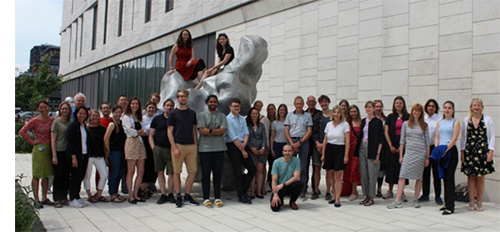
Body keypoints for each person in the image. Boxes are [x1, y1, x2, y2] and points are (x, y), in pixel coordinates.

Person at [387, 104, 430, 209]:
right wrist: (401, 155)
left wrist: (427, 157)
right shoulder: (406, 124)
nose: (416, 112)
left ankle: (416, 199)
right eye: (415, 110)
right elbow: (402, 141)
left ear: (421, 113)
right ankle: (397, 200)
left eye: (418, 111)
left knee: (419, 177)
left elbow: (427, 142)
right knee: (402, 176)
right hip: (409, 153)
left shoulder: (424, 125)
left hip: (420, 153)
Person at [460, 98, 495, 211]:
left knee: (480, 178)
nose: (476, 107)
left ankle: (479, 202)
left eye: (478, 105)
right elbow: (463, 138)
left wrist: (491, 152)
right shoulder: (466, 120)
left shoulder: (488, 119)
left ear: (482, 107)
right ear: (471, 107)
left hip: (482, 152)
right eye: (474, 105)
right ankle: (471, 202)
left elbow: (492, 137)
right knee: (470, 177)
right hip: (470, 152)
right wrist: (462, 152)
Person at [19, 100, 55, 208]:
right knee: (37, 174)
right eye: (41, 107)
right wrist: (32, 141)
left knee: (46, 175)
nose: (43, 109)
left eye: (45, 107)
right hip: (39, 149)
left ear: (49, 108)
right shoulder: (35, 120)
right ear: (38, 109)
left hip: (50, 149)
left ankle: (44, 197)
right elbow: (22, 132)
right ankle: (36, 199)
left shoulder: (52, 120)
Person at [167, 88, 199, 207]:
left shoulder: (192, 113)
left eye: (184, 96)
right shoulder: (173, 113)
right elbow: (169, 132)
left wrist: (195, 144)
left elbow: (193, 129)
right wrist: (174, 147)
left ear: (187, 98)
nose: (183, 98)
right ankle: (178, 195)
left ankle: (187, 195)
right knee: (177, 172)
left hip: (191, 146)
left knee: (192, 171)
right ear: (177, 98)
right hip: (178, 145)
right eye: (180, 96)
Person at [197, 95, 228, 208]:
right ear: (207, 103)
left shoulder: (222, 115)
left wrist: (209, 130)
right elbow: (202, 131)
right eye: (211, 102)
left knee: (218, 174)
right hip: (205, 149)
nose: (213, 104)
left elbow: (223, 130)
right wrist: (215, 131)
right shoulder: (201, 115)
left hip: (219, 149)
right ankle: (206, 198)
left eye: (215, 102)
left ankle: (217, 197)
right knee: (205, 174)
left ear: (217, 103)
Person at [224, 98, 256, 204]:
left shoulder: (242, 118)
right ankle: (241, 194)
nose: (236, 108)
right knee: (237, 171)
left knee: (252, 169)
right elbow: (232, 136)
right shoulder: (227, 119)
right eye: (234, 106)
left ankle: (243, 189)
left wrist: (244, 146)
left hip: (243, 144)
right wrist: (242, 150)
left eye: (238, 106)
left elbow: (246, 133)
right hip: (233, 146)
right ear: (230, 107)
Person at [433, 100, 460, 215]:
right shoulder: (440, 122)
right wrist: (437, 149)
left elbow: (454, 138)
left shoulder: (456, 122)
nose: (447, 109)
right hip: (441, 150)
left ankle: (450, 206)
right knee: (443, 178)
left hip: (450, 151)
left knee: (449, 178)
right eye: (445, 107)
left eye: (449, 108)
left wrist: (445, 150)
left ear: (453, 110)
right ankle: (446, 203)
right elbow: (437, 136)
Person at [356, 101, 384, 206]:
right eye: (366, 107)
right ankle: (366, 195)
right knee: (363, 173)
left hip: (373, 148)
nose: (368, 109)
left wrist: (378, 154)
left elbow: (381, 139)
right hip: (362, 147)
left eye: (370, 107)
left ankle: (371, 196)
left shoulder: (378, 122)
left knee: (372, 174)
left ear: (373, 109)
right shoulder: (363, 121)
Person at [284, 96, 313, 198]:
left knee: (303, 167)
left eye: (300, 103)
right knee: (290, 166)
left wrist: (299, 143)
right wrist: (292, 143)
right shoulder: (289, 115)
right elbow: (286, 130)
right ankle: (289, 189)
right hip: (292, 141)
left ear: (303, 104)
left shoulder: (308, 116)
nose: (299, 105)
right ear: (294, 104)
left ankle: (302, 190)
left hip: (303, 142)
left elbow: (309, 131)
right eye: (297, 104)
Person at [321, 105, 350, 207]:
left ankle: (338, 198)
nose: (336, 114)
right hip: (329, 149)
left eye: (338, 112)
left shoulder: (345, 125)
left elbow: (347, 141)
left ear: (341, 114)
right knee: (330, 174)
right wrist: (323, 154)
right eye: (334, 112)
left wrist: (346, 155)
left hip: (340, 149)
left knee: (338, 175)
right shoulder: (328, 124)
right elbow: (325, 140)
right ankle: (333, 195)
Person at [149, 99, 176, 204]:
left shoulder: (175, 119)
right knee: (160, 172)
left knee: (171, 173)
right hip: (159, 148)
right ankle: (163, 194)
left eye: (171, 105)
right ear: (163, 106)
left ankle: (170, 193)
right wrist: (153, 148)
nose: (169, 107)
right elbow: (151, 135)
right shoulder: (157, 119)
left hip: (171, 149)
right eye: (167, 105)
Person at [383, 96, 409, 201]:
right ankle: (390, 191)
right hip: (391, 145)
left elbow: (409, 132)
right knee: (390, 168)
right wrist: (390, 145)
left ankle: (401, 192)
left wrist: (402, 146)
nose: (398, 105)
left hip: (403, 145)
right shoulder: (390, 117)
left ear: (403, 104)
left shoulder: (408, 117)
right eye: (397, 103)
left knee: (401, 169)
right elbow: (386, 131)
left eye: (400, 103)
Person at [123, 97, 148, 204]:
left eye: (136, 104)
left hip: (140, 144)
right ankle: (130, 195)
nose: (134, 106)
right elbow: (130, 131)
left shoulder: (138, 116)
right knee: (131, 171)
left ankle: (136, 193)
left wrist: (139, 132)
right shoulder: (126, 117)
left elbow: (145, 130)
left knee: (141, 171)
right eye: (133, 104)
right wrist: (139, 132)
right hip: (131, 143)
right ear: (130, 105)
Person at [66, 106, 90, 208]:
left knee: (80, 176)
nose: (82, 116)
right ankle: (72, 198)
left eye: (84, 114)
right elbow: (70, 143)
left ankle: (77, 197)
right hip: (76, 156)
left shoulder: (84, 126)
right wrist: (73, 157)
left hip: (84, 155)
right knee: (75, 177)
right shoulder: (73, 126)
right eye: (80, 113)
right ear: (76, 114)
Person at [420, 99, 443, 204]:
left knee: (436, 172)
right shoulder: (423, 119)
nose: (431, 108)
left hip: (435, 147)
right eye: (429, 106)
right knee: (425, 172)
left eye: (433, 106)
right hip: (425, 147)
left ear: (436, 108)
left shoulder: (439, 119)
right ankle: (425, 194)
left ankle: (438, 196)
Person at [83, 110, 109, 203]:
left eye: (96, 116)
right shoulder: (85, 128)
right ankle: (89, 194)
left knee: (104, 175)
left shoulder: (102, 129)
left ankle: (99, 193)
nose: (94, 117)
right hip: (89, 156)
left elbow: (104, 144)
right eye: (93, 116)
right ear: (90, 117)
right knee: (87, 175)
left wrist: (106, 156)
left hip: (99, 156)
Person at [50, 101, 72, 208]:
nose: (64, 111)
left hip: (67, 152)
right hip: (58, 151)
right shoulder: (56, 122)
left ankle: (64, 197)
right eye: (63, 109)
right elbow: (53, 139)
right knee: (58, 176)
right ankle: (56, 198)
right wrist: (54, 155)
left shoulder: (70, 123)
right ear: (60, 110)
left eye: (66, 109)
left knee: (66, 176)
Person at [103, 105, 127, 203]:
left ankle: (116, 192)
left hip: (122, 151)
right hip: (115, 152)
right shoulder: (112, 124)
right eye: (116, 112)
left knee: (120, 173)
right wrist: (108, 151)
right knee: (114, 173)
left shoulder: (121, 123)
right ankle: (112, 193)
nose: (118, 114)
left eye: (119, 112)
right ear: (113, 113)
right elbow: (106, 138)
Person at [270, 145, 303, 212]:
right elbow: (274, 180)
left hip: (289, 185)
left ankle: (292, 202)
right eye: (285, 151)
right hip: (279, 188)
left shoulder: (296, 161)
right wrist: (275, 195)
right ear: (282, 152)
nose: (287, 153)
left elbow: (296, 177)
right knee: (275, 208)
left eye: (289, 151)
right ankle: (280, 200)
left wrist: (283, 184)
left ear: (293, 152)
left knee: (299, 184)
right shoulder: (276, 162)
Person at [312, 95, 332, 200]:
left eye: (325, 102)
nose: (324, 104)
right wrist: (317, 143)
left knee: (329, 170)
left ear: (328, 102)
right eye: (322, 102)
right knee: (317, 168)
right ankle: (316, 190)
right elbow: (314, 132)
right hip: (317, 146)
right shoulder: (317, 116)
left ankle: (328, 191)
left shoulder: (334, 115)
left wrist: (324, 144)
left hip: (330, 146)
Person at [246, 107, 268, 199]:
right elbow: (247, 137)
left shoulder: (262, 126)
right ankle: (252, 191)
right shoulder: (247, 125)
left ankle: (259, 191)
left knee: (260, 171)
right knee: (253, 171)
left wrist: (263, 148)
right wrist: (251, 148)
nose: (255, 115)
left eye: (256, 113)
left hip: (260, 151)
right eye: (253, 113)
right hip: (251, 151)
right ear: (250, 114)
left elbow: (264, 137)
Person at [139, 101, 158, 199]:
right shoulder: (142, 119)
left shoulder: (157, 118)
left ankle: (151, 183)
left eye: (153, 108)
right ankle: (143, 184)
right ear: (146, 108)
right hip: (144, 142)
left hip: (155, 141)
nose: (151, 109)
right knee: (145, 163)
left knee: (154, 163)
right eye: (149, 107)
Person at [306, 95, 323, 200]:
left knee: (316, 167)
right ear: (307, 103)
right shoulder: (303, 114)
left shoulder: (320, 114)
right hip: (306, 143)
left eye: (313, 101)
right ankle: (304, 187)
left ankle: (315, 188)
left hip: (317, 144)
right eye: (309, 101)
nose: (311, 103)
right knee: (305, 166)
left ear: (315, 102)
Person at [253, 100, 270, 196]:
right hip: (253, 148)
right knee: (254, 168)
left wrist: (265, 147)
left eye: (260, 106)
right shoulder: (249, 119)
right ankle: (254, 187)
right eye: (257, 106)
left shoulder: (264, 119)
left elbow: (266, 134)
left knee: (262, 168)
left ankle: (262, 186)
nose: (258, 107)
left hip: (264, 147)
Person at [345, 105, 361, 201]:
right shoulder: (347, 123)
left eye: (355, 111)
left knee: (355, 170)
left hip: (358, 149)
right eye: (352, 111)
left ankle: (354, 191)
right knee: (350, 170)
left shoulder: (361, 123)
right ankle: (352, 190)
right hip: (349, 149)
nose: (353, 113)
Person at [374, 99, 387, 198]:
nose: (378, 108)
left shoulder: (386, 119)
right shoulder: (371, 119)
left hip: (383, 146)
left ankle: (379, 188)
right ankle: (371, 188)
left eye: (379, 106)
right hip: (373, 146)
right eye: (376, 106)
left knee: (381, 169)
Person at [265, 103, 277, 191]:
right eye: (269, 109)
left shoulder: (278, 121)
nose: (271, 111)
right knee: (270, 165)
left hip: (276, 145)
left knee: (275, 165)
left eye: (272, 109)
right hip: (268, 145)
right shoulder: (265, 120)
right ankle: (268, 182)